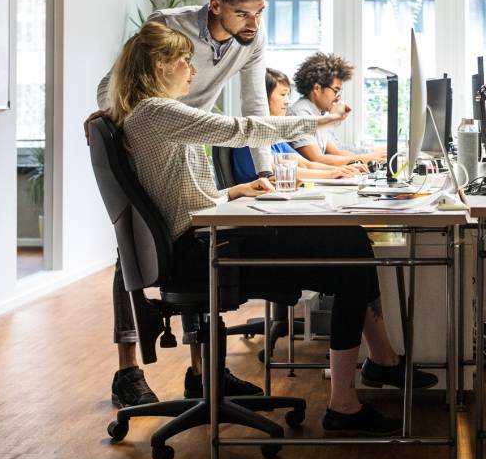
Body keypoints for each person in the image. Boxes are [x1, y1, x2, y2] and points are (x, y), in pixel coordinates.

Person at [110, 22, 434, 435]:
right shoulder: (157, 111)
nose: (192, 71)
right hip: (201, 253)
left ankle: (370, 374)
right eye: (184, 61)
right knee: (351, 252)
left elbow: (180, 198)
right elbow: (241, 130)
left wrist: (234, 192)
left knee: (349, 245)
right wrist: (317, 123)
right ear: (159, 64)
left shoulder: (147, 115)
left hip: (197, 244)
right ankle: (346, 403)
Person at [93, 0, 285, 408]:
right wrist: (133, 141)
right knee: (137, 243)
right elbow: (116, 84)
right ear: (215, 4)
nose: (252, 24)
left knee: (198, 243)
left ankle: (205, 376)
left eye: (259, 12)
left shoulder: (250, 39)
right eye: (243, 13)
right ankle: (127, 372)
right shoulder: (168, 24)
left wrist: (265, 169)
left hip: (194, 134)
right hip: (139, 130)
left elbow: (254, 108)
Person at [229, 69, 360, 183]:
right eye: (282, 94)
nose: (287, 102)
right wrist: (331, 174)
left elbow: (306, 165)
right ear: (262, 97)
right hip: (252, 204)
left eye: (288, 95)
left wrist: (342, 170)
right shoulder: (249, 133)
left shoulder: (275, 135)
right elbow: (279, 171)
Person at [287, 52, 385, 168]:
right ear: (317, 88)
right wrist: (366, 158)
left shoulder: (318, 113)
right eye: (336, 90)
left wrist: (371, 157)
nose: (338, 97)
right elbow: (317, 159)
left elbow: (335, 152)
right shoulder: (300, 113)